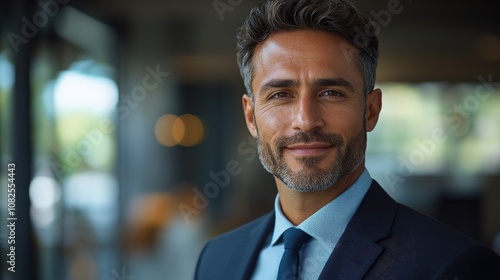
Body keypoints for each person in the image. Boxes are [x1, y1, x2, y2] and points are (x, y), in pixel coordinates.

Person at [195, 0, 500, 279]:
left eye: (331, 93)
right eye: (280, 95)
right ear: (251, 116)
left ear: (370, 110)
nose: (305, 120)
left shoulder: (452, 264)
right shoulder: (216, 259)